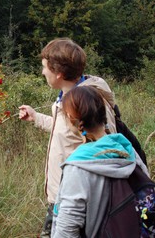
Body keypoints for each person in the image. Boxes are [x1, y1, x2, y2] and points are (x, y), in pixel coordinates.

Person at [18, 38, 117, 237]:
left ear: (59, 74)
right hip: (61, 194)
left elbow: (109, 146)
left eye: (45, 67)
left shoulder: (87, 101)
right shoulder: (67, 97)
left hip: (76, 198)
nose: (43, 72)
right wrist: (36, 118)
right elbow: (66, 130)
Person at [51, 86, 148, 237]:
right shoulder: (127, 150)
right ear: (102, 114)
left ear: (71, 118)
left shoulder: (78, 167)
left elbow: (66, 229)